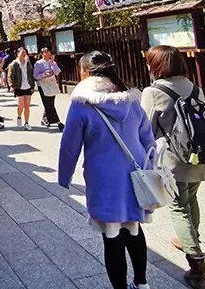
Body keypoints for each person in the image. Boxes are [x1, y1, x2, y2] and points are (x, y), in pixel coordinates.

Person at [58, 51, 155, 289]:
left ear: (86, 72)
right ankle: (141, 283)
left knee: (111, 233)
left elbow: (70, 144)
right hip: (135, 172)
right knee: (133, 226)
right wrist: (150, 165)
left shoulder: (82, 103)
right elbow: (147, 136)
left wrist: (64, 175)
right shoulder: (131, 99)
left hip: (103, 176)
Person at [141, 46, 205, 287]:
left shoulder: (153, 91)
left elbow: (144, 127)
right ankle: (190, 238)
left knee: (179, 207)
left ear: (156, 65)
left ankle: (196, 262)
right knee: (191, 200)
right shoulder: (195, 87)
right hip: (199, 156)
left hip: (174, 160)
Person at [35, 48, 64, 131]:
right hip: (43, 85)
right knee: (49, 104)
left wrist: (52, 63)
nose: (47, 54)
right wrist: (44, 74)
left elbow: (57, 71)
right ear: (42, 54)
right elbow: (35, 75)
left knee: (50, 103)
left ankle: (45, 119)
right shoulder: (38, 63)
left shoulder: (52, 62)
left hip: (51, 84)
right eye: (45, 52)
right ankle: (58, 123)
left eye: (48, 52)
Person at [8, 47, 36, 129]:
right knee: (21, 105)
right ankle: (19, 116)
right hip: (18, 86)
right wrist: (11, 86)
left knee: (27, 105)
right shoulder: (14, 64)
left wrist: (33, 86)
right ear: (18, 53)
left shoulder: (28, 63)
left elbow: (31, 74)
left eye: (25, 52)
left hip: (27, 86)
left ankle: (27, 123)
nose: (24, 54)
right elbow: (10, 76)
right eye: (22, 52)